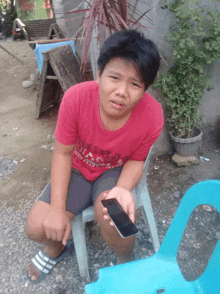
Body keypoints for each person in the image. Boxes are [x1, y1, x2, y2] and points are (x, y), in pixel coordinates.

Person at [25, 29, 164, 283]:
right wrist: (57, 209)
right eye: (115, 78)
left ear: (145, 88)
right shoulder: (76, 99)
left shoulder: (152, 115)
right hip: (77, 169)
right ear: (99, 74)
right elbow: (63, 152)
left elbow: (136, 160)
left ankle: (125, 260)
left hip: (113, 172)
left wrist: (122, 189)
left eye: (134, 84)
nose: (122, 91)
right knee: (35, 227)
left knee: (115, 219)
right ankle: (58, 247)